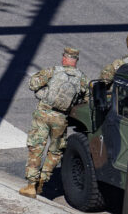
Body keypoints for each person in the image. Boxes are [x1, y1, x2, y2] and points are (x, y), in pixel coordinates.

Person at [20, 47, 88, 198]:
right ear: (76, 61)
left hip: (43, 114)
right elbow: (87, 99)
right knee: (55, 151)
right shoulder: (82, 78)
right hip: (61, 118)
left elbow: (33, 84)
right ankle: (42, 182)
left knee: (36, 147)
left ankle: (31, 185)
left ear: (64, 58)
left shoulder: (52, 71)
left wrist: (43, 93)